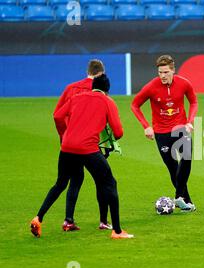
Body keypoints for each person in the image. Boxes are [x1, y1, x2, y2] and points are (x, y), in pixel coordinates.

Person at [30, 74, 133, 239]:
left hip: (67, 148)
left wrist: (64, 136)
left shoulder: (77, 97)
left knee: (61, 183)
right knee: (109, 183)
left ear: (93, 87)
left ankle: (38, 218)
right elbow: (119, 132)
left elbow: (57, 116)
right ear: (107, 89)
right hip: (88, 149)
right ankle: (117, 231)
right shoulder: (108, 101)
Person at [131, 55, 198, 212]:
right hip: (161, 133)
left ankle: (179, 197)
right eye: (160, 72)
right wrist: (146, 126)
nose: (162, 75)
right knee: (173, 168)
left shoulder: (184, 83)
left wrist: (190, 121)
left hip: (181, 129)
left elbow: (193, 101)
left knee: (186, 158)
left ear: (173, 70)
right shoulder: (151, 87)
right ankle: (186, 202)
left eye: (166, 72)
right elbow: (135, 105)